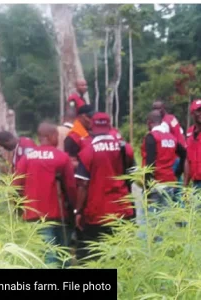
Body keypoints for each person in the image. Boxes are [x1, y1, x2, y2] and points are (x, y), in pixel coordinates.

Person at [74, 112, 135, 261]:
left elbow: (83, 185)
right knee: (121, 257)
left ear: (92, 128)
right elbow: (132, 176)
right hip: (122, 210)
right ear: (109, 127)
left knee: (97, 256)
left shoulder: (87, 152)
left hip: (97, 213)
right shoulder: (125, 148)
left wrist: (78, 211)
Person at [14, 122, 77, 267]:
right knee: (63, 256)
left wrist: (18, 209)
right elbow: (71, 187)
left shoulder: (26, 158)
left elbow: (16, 186)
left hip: (33, 216)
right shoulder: (62, 157)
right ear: (51, 136)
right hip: (59, 215)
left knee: (46, 257)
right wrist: (75, 210)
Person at [141, 110, 186, 211]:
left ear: (149, 122)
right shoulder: (171, 138)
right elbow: (184, 154)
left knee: (151, 220)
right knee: (165, 218)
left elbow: (150, 163)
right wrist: (177, 172)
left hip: (155, 184)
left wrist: (147, 186)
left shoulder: (151, 137)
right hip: (169, 183)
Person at [64, 104, 94, 169]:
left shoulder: (91, 132)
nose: (92, 120)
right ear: (80, 117)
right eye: (89, 117)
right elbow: (70, 163)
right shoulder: (72, 138)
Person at [184, 99, 201, 189]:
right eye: (199, 110)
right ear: (192, 113)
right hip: (195, 183)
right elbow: (188, 159)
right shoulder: (190, 133)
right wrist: (185, 185)